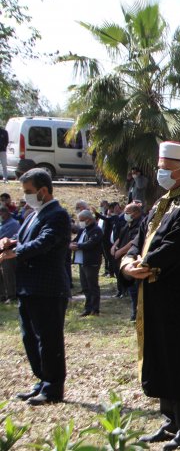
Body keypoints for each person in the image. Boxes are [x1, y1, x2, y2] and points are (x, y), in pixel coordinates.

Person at [121, 142, 180, 449]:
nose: (160, 172)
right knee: (161, 356)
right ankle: (170, 420)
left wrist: (145, 264)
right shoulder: (164, 202)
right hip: (155, 295)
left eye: (166, 167)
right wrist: (127, 261)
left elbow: (175, 247)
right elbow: (140, 239)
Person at [0, 168, 71, 405]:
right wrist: (11, 242)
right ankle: (42, 380)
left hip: (47, 288)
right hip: (29, 287)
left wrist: (15, 252)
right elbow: (28, 240)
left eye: (29, 191)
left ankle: (53, 388)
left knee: (49, 339)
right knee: (30, 338)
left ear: (43, 190)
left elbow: (45, 242)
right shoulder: (34, 214)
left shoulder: (58, 214)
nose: (25, 196)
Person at [112, 203, 143, 321]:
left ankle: (137, 314)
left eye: (127, 212)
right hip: (124, 260)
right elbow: (121, 236)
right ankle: (134, 312)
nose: (125, 215)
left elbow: (133, 242)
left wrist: (120, 251)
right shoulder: (128, 224)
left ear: (136, 213)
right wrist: (114, 245)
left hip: (133, 259)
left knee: (135, 289)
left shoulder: (141, 224)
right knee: (131, 289)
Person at [72, 209, 104, 317]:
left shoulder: (96, 230)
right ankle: (88, 308)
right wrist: (71, 244)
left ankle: (95, 309)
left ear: (89, 219)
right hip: (82, 262)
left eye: (82, 220)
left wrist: (77, 246)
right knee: (85, 286)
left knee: (92, 286)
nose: (80, 222)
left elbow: (91, 243)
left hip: (91, 262)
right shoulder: (83, 230)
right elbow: (77, 240)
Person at [0, 205, 20, 303]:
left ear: (6, 213)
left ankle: (11, 295)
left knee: (7, 274)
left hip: (9, 252)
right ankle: (2, 295)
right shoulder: (1, 224)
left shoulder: (13, 224)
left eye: (1, 213)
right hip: (1, 252)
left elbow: (7, 237)